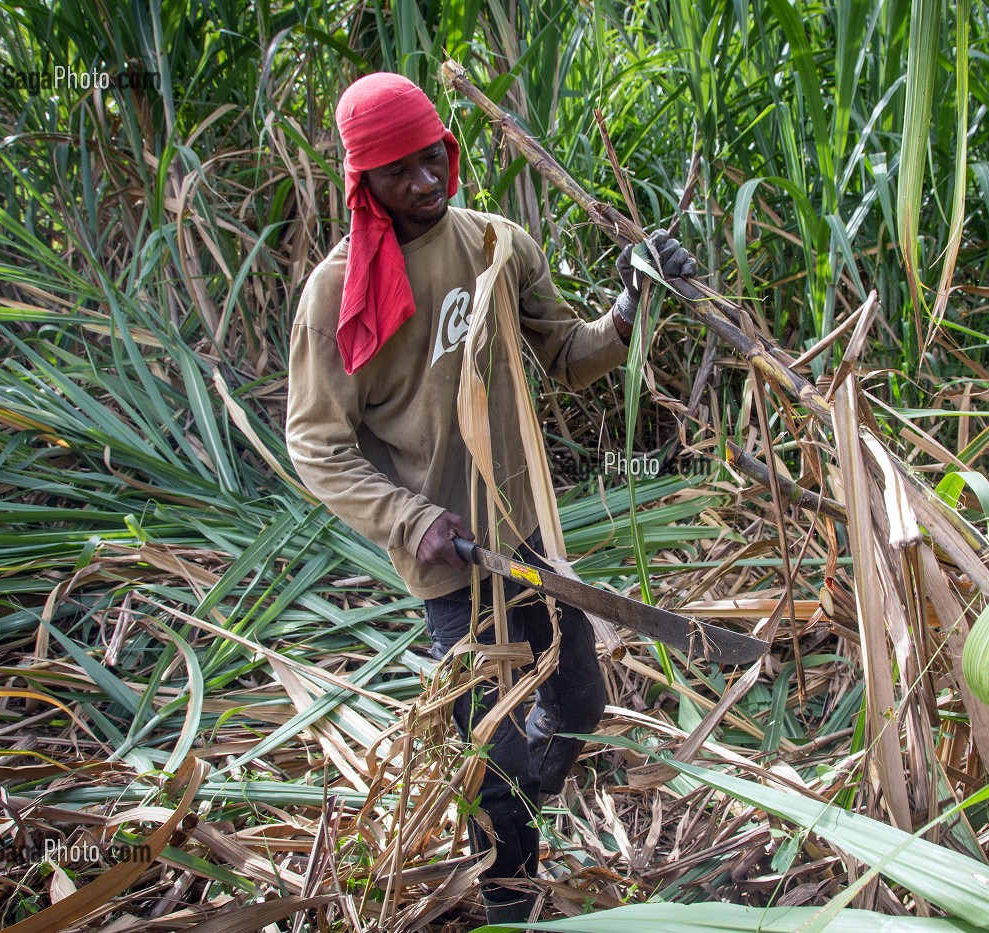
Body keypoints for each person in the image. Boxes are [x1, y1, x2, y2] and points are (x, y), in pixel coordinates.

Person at [284, 72, 695, 924]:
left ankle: (512, 815)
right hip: (450, 564)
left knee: (577, 704)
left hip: (527, 536)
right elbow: (314, 441)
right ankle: (511, 895)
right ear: (366, 183)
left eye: (433, 158)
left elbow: (568, 356)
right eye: (400, 171)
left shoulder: (497, 246)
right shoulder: (335, 294)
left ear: (450, 148)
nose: (426, 181)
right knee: (495, 760)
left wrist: (632, 302)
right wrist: (410, 519)